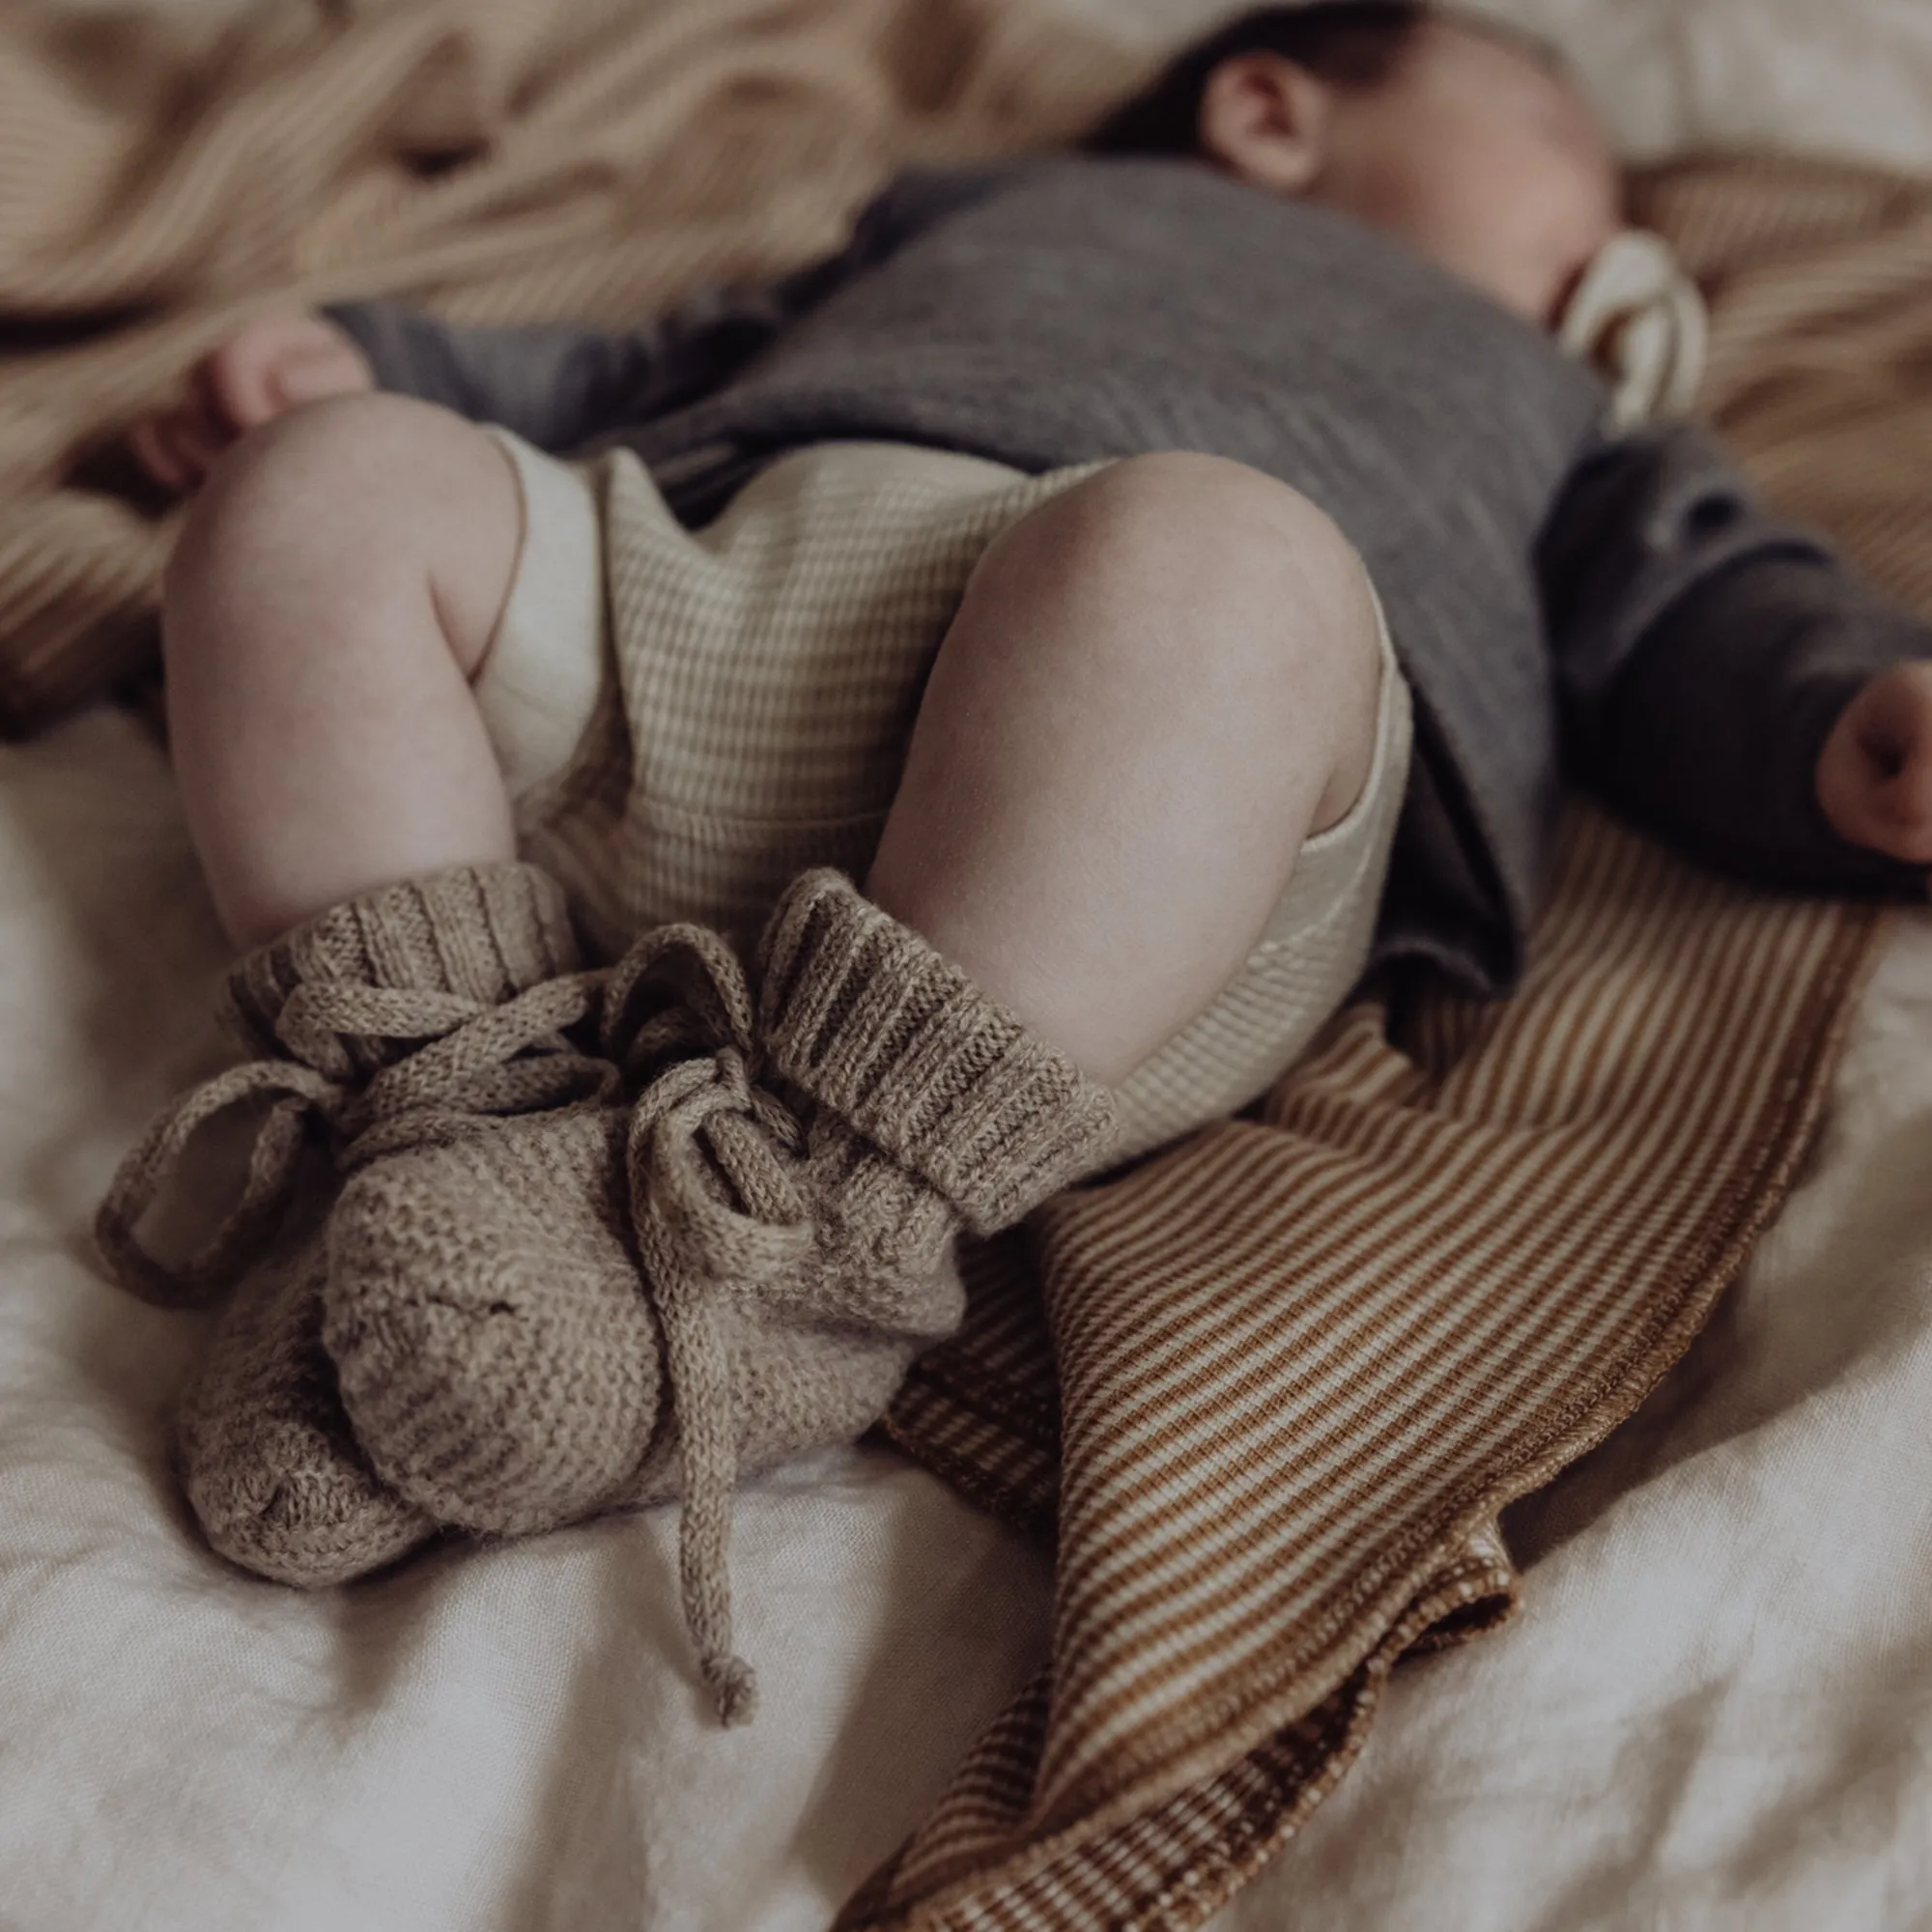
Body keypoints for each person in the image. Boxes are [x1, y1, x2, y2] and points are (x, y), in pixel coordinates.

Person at [99, 2, 1932, 1722]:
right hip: (712, 620)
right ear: (1272, 111)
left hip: (1121, 854)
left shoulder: (1561, 409)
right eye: (1553, 131)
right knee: (321, 496)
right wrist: (380, 364)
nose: (1626, 218)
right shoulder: (989, 210)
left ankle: (798, 1239)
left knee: (1220, 553)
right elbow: (663, 358)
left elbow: (1701, 599)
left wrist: (1840, 724)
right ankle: (452, 1133)